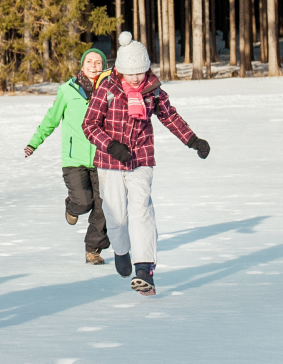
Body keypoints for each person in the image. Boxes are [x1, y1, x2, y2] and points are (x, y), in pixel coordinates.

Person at [80, 31, 211, 296]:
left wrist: (193, 140)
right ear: (120, 71)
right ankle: (121, 250)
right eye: (131, 73)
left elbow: (170, 117)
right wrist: (112, 146)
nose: (136, 78)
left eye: (140, 72)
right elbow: (89, 125)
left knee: (142, 211)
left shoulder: (153, 90)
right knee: (117, 217)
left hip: (141, 158)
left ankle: (144, 269)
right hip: (109, 161)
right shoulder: (106, 87)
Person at [27, 47, 112, 265]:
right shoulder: (67, 90)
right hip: (74, 160)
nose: (94, 66)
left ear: (104, 67)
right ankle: (72, 206)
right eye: (90, 62)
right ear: (82, 65)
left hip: (103, 159)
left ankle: (93, 249)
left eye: (98, 63)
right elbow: (51, 119)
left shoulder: (111, 91)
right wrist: (34, 143)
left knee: (103, 206)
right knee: (84, 202)